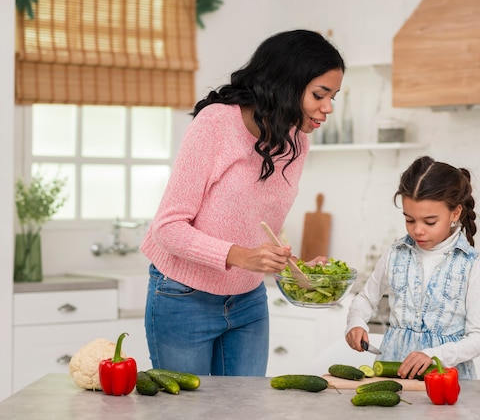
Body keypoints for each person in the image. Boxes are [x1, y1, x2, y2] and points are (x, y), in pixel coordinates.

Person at [140, 29, 345, 377]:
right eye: (319, 95)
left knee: (246, 410)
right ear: (287, 83)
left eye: (333, 97)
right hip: (182, 296)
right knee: (185, 414)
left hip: (247, 300)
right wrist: (243, 257)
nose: (327, 108)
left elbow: (255, 224)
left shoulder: (296, 141)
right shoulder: (217, 123)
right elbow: (167, 228)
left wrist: (294, 266)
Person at [345, 156, 480, 380]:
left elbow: (479, 337)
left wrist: (434, 355)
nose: (418, 230)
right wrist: (355, 323)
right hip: (391, 371)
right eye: (410, 220)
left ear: (455, 213)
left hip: (446, 377)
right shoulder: (395, 252)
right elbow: (365, 298)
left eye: (429, 222)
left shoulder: (470, 263)